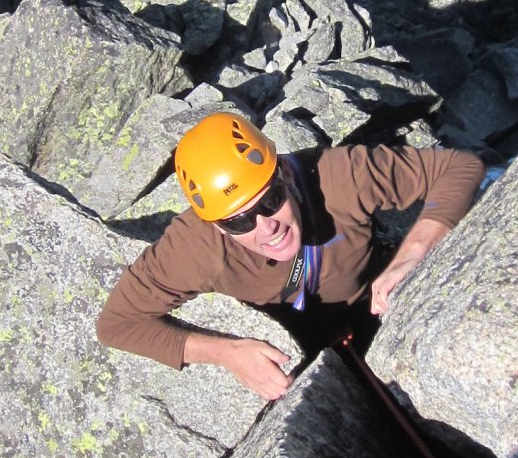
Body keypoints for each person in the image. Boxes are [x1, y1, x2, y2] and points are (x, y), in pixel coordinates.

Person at [96, 111, 484, 400]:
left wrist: (413, 252)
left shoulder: (336, 176)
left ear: (286, 175)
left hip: (370, 301)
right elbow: (117, 324)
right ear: (215, 226)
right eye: (238, 222)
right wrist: (227, 353)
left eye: (271, 200)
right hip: (298, 340)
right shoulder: (198, 248)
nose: (266, 227)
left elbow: (459, 167)